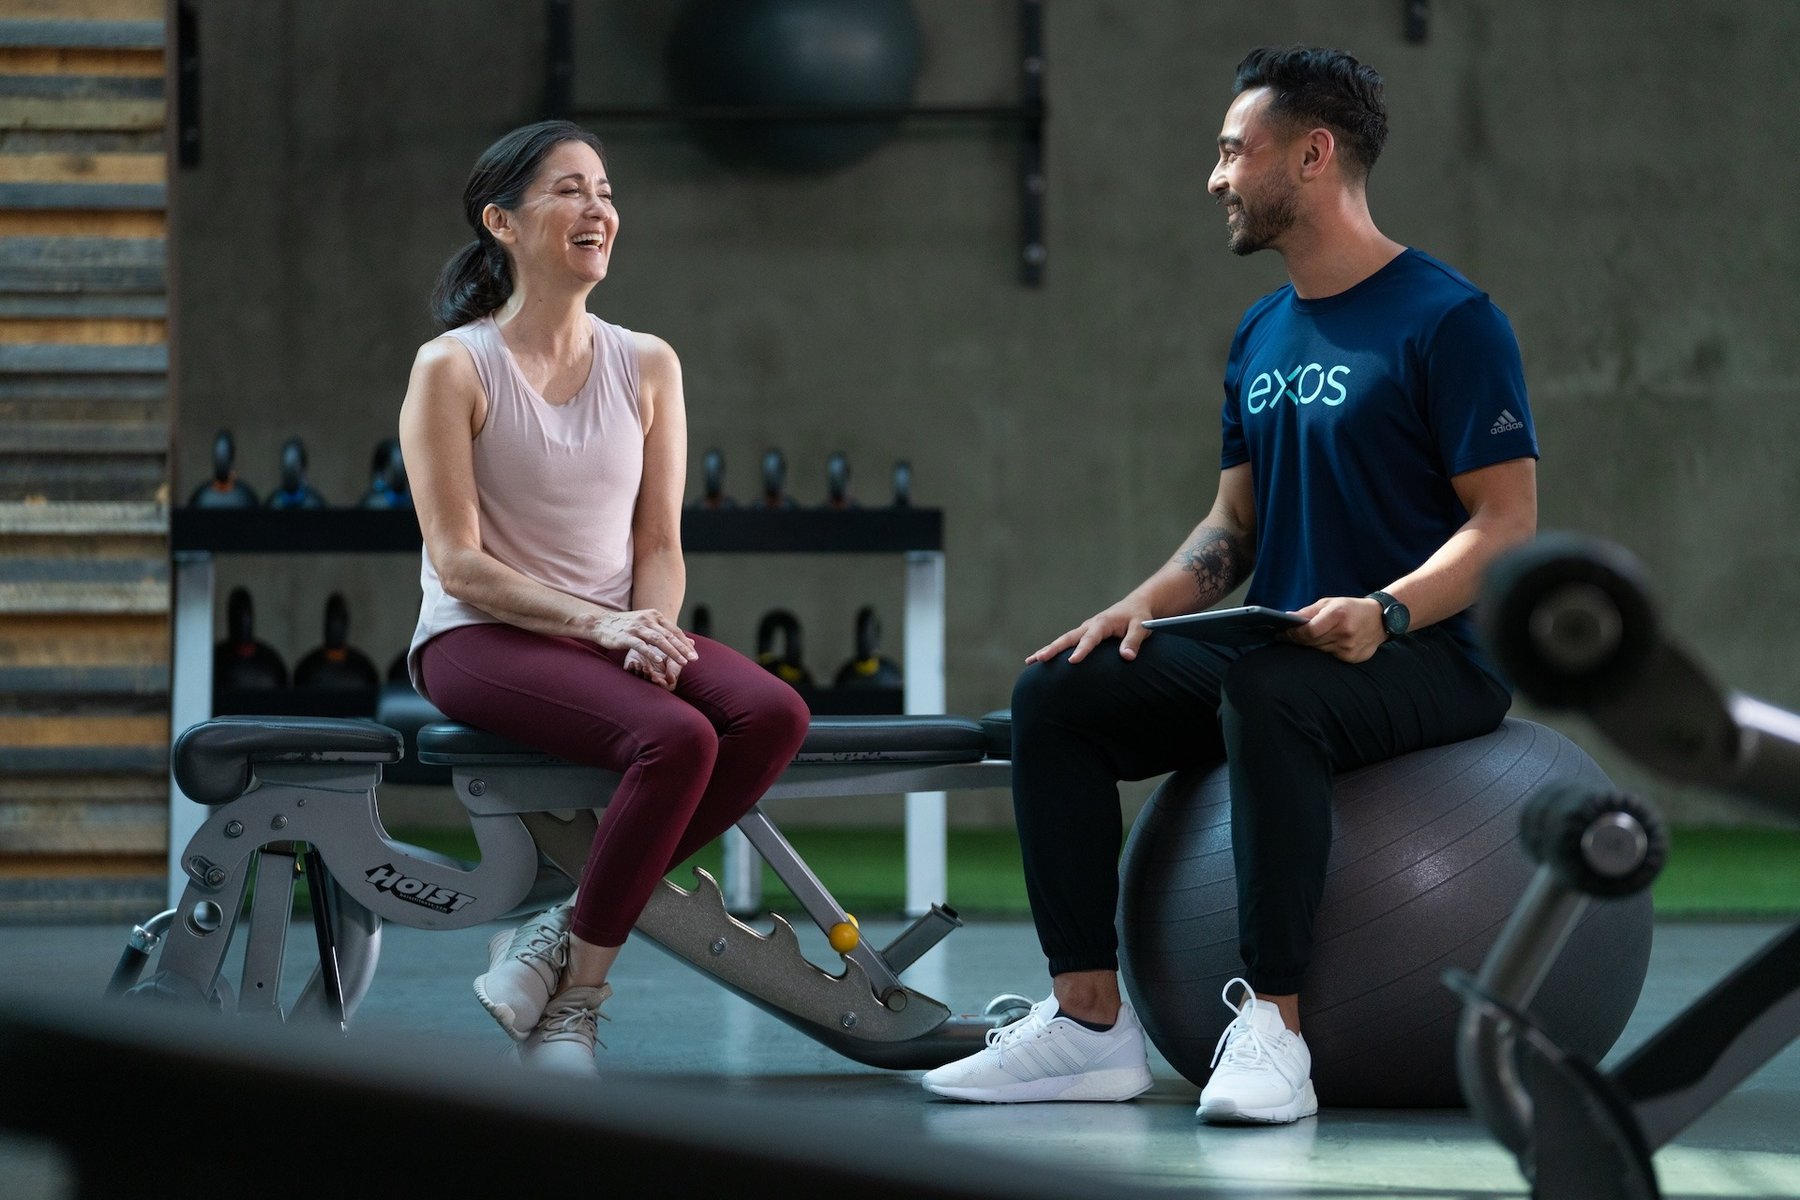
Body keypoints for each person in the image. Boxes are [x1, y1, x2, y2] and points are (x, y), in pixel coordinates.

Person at [922, 45, 1540, 1123]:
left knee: (1269, 697)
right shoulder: (1261, 329)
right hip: (1283, 636)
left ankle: (1277, 1035)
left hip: (1428, 653)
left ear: (1312, 153)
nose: (1214, 178)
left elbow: (1505, 523)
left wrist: (1386, 611)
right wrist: (1140, 606)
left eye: (1231, 151)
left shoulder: (1451, 319)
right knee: (1056, 696)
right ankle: (1089, 1026)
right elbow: (1233, 527)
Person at [397, 120, 812, 1074]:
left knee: (772, 712)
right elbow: (457, 563)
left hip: (612, 627)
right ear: (502, 222)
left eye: (607, 190)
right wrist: (602, 625)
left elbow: (658, 543)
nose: (599, 209)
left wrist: (650, 630)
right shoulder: (452, 367)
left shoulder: (648, 362)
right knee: (679, 738)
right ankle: (578, 1002)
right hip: (481, 635)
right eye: (570, 190)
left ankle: (559, 930)